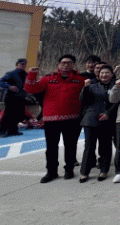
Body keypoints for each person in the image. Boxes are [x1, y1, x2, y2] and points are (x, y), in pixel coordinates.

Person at [25, 54, 86, 183]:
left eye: (69, 62)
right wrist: (31, 75)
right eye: (63, 62)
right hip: (51, 119)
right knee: (51, 147)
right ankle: (51, 172)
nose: (65, 65)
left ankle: (69, 170)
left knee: (70, 146)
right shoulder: (48, 79)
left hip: (72, 119)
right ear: (58, 64)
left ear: (73, 65)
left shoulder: (80, 80)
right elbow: (31, 88)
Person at [79, 64, 118, 183]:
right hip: (91, 120)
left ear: (112, 74)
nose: (104, 75)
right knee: (89, 147)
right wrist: (85, 88)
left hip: (108, 120)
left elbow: (117, 102)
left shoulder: (116, 86)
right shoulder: (91, 86)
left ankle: (104, 170)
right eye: (102, 73)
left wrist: (108, 113)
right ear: (98, 74)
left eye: (107, 73)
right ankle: (84, 172)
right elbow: (84, 100)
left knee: (105, 146)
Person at [0, 58, 29, 137]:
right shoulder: (11, 74)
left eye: (25, 64)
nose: (23, 65)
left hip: (21, 98)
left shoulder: (26, 75)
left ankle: (13, 130)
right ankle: (2, 131)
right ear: (17, 64)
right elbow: (1, 81)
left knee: (18, 115)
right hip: (11, 97)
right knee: (8, 114)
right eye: (22, 64)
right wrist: (9, 86)